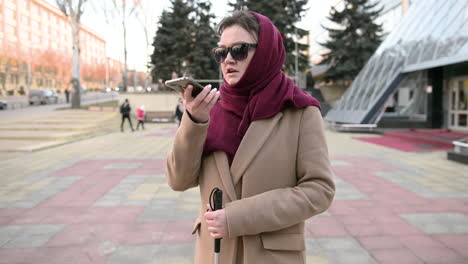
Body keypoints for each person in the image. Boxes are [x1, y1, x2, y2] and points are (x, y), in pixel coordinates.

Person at [166, 11, 335, 264]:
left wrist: (237, 218)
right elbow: (178, 180)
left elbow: (319, 190)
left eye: (240, 50)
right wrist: (193, 122)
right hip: (214, 253)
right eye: (221, 52)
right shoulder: (211, 108)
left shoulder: (300, 110)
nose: (228, 60)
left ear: (266, 52)